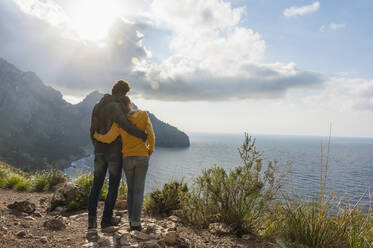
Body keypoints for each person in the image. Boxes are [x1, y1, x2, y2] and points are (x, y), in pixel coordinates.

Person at [88, 80, 147, 234]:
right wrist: (142, 135)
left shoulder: (97, 105)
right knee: (113, 186)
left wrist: (97, 146)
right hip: (114, 152)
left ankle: (91, 223)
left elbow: (92, 130)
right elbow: (126, 125)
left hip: (99, 150)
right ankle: (106, 220)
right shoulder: (115, 106)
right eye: (125, 94)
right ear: (122, 93)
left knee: (96, 184)